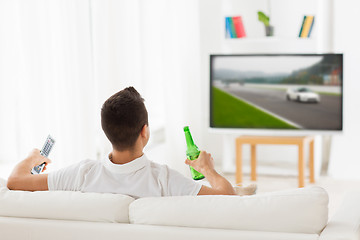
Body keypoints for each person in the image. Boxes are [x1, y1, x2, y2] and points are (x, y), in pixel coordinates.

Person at [7, 87, 256, 198]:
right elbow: (227, 196)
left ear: (106, 132)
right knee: (241, 190)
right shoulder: (165, 180)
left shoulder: (81, 174)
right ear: (144, 132)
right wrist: (207, 170)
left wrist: (33, 157)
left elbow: (15, 181)